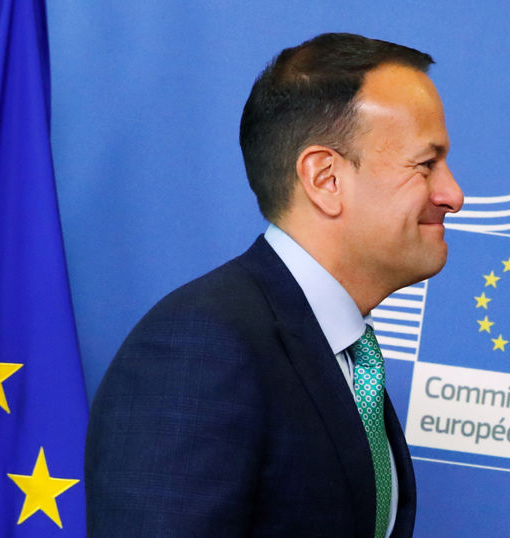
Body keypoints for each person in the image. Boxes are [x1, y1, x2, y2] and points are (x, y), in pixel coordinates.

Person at [85, 32, 463, 537]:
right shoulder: (200, 348)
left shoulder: (344, 354)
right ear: (325, 178)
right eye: (426, 164)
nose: (452, 195)